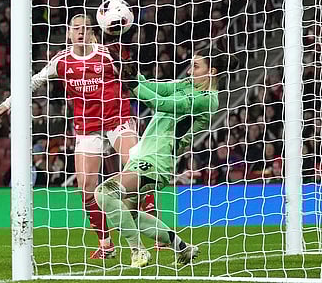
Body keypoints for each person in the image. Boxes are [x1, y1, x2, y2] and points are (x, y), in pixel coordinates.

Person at [0, 14, 140, 259]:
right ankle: (105, 243)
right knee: (85, 188)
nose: (81, 32)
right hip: (87, 127)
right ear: (69, 33)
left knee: (138, 168)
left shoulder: (107, 54)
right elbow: (34, 81)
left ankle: (154, 231)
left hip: (118, 119)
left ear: (93, 32)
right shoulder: (61, 61)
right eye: (76, 29)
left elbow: (132, 78)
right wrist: (9, 102)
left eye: (85, 28)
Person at [94, 46, 239, 268]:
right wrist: (135, 75)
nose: (190, 71)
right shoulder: (185, 85)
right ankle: (183, 249)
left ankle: (138, 251)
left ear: (212, 72)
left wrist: (133, 85)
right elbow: (155, 88)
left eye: (196, 66)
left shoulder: (207, 100)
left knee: (104, 193)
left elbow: (161, 103)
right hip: (144, 155)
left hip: (157, 161)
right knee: (129, 214)